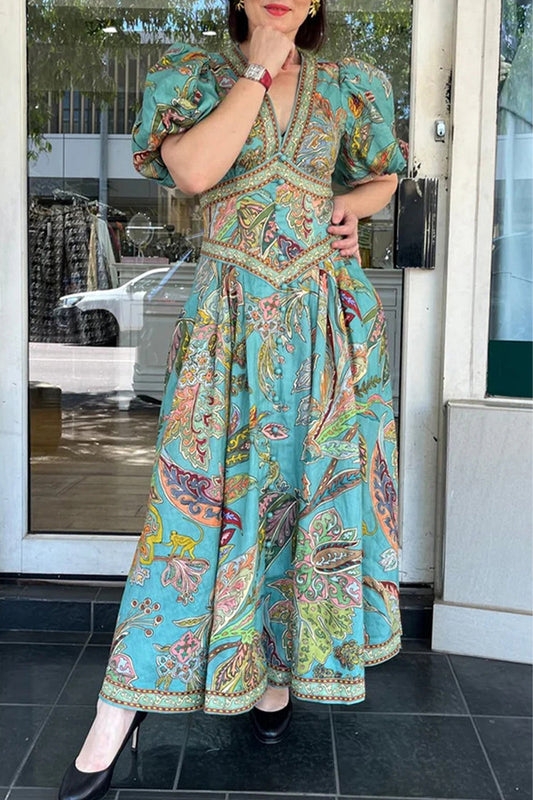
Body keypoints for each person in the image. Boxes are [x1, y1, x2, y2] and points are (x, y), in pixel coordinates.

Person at [58, 0, 406, 797]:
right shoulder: (192, 75)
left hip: (323, 327)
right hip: (229, 326)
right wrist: (258, 67)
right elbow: (191, 173)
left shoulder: (351, 84)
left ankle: (272, 672)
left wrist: (354, 205)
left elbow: (383, 174)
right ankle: (120, 704)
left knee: (301, 497)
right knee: (189, 514)